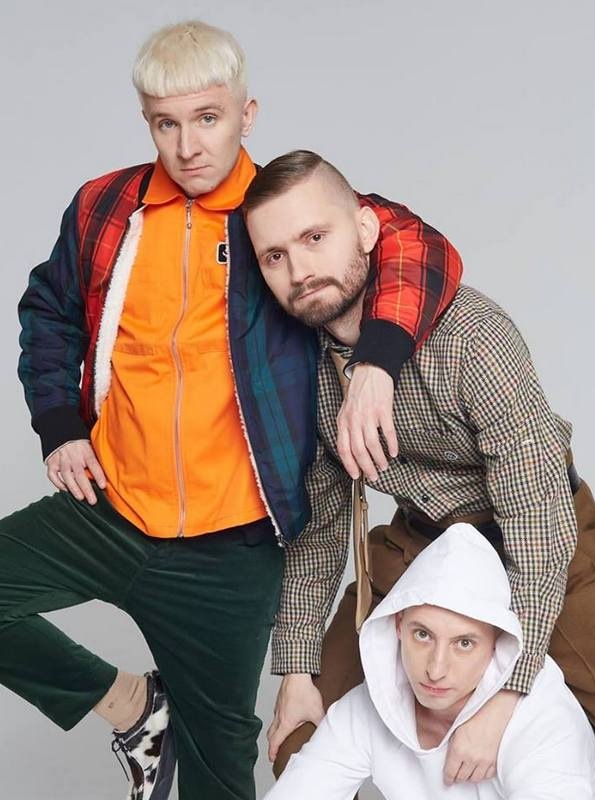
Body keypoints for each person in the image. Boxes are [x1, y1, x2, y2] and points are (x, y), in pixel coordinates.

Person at [3, 21, 463, 800]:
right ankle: (134, 709)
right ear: (147, 121)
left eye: (208, 118)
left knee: (219, 775)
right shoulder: (107, 208)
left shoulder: (274, 214)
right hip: (112, 509)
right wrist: (59, 425)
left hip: (232, 548)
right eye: (166, 124)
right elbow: (50, 309)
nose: (188, 146)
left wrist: (377, 367)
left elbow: (418, 247)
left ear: (247, 115)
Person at [242, 149, 595, 786]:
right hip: (421, 544)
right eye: (275, 256)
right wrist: (295, 668)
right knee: (303, 730)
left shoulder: (471, 337)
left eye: (315, 238)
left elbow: (534, 516)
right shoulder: (306, 368)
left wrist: (507, 694)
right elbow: (320, 529)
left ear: (366, 229)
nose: (299, 271)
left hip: (540, 538)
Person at [264, 525, 595, 800]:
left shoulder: (542, 719)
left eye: (464, 643)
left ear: (497, 643)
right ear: (398, 625)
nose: (435, 670)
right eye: (422, 635)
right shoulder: (367, 706)